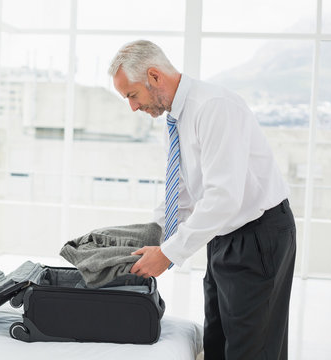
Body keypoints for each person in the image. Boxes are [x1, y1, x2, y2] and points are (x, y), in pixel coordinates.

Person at [108, 40, 296, 360]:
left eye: (132, 95)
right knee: (218, 340)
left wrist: (168, 253)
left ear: (154, 76)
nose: (133, 107)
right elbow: (181, 190)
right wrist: (150, 235)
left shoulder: (213, 107)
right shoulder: (178, 117)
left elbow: (224, 198)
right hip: (223, 236)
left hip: (257, 236)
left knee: (251, 348)